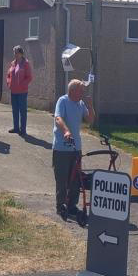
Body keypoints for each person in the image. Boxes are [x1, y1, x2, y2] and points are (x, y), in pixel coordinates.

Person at [52, 79, 95, 216]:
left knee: (76, 179)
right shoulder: (63, 101)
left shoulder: (81, 104)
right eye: (81, 91)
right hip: (61, 148)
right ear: (72, 91)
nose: (83, 93)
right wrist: (66, 131)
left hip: (76, 148)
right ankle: (61, 205)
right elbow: (58, 118)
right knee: (62, 178)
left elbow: (90, 121)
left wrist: (90, 106)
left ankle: (72, 205)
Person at [6, 45, 33, 136]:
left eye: (17, 52)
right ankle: (16, 128)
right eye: (14, 53)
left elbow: (29, 77)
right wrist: (9, 83)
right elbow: (9, 74)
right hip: (13, 91)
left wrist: (22, 85)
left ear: (21, 53)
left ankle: (23, 129)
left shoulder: (26, 63)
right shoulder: (13, 63)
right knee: (15, 110)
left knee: (22, 110)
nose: (16, 54)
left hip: (22, 91)